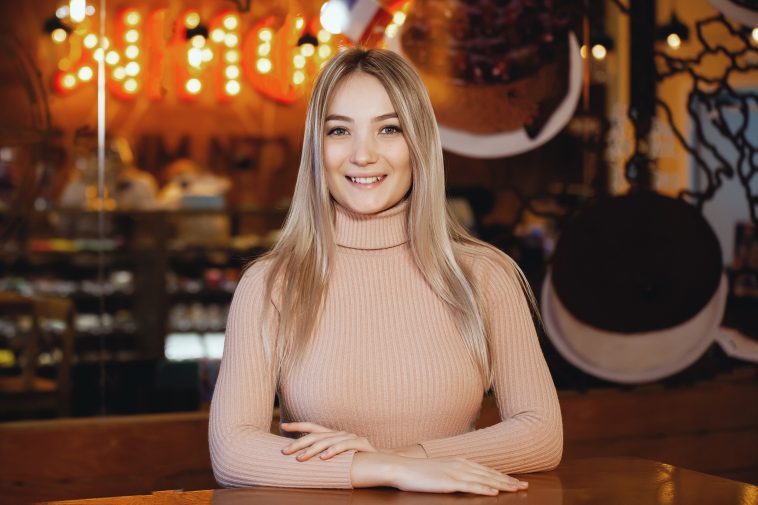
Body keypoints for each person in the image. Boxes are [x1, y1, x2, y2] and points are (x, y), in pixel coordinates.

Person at [209, 48, 562, 496]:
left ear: (419, 143)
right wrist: (383, 468)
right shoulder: (271, 284)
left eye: (389, 129)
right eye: (339, 130)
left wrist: (402, 461)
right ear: (317, 148)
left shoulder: (484, 275)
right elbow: (232, 452)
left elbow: (542, 433)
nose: (362, 155)